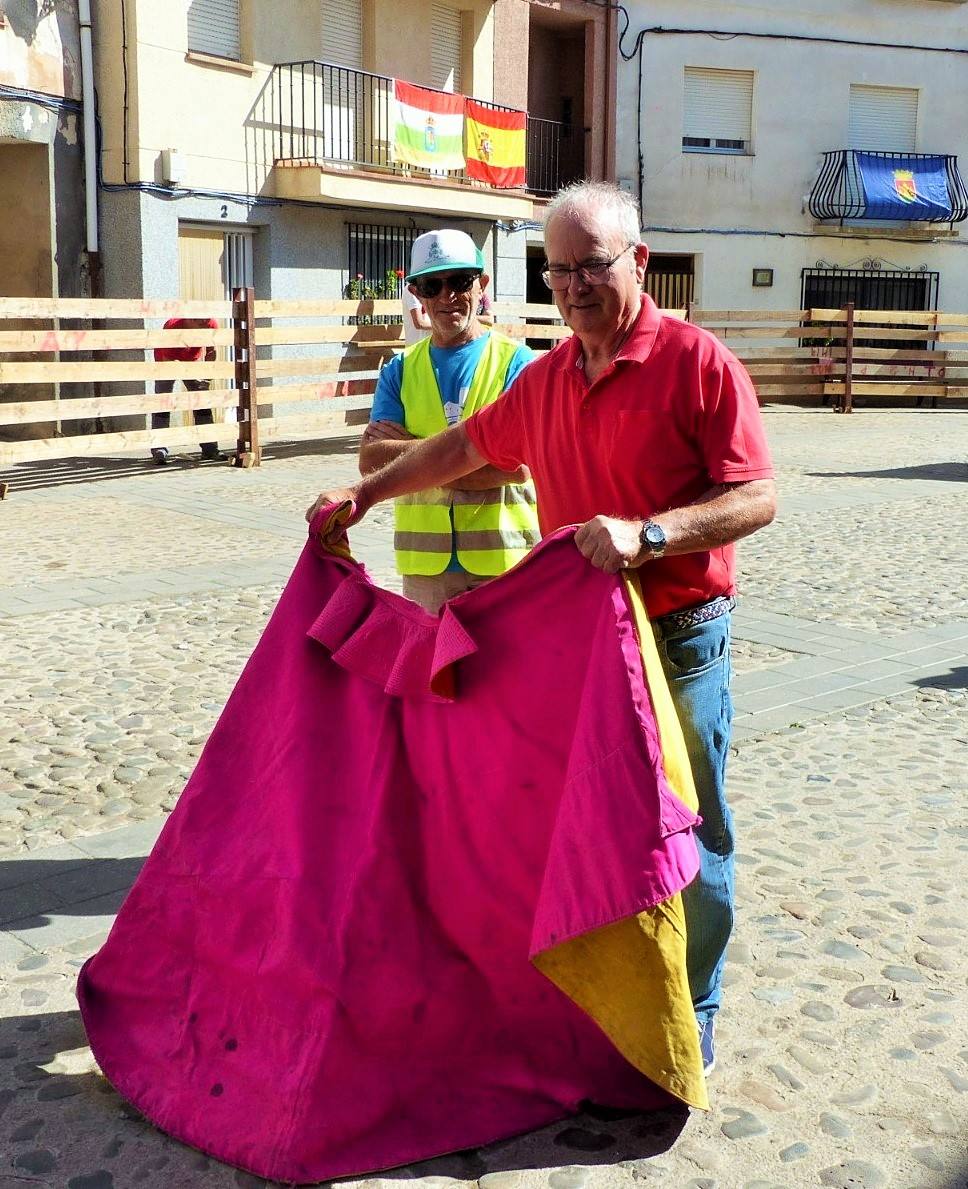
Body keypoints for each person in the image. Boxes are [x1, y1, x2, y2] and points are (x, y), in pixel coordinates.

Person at [307, 182, 777, 1074]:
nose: (571, 286)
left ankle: (696, 1005)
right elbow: (461, 448)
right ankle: (596, 991)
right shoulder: (549, 378)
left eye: (590, 265)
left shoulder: (699, 362)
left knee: (694, 827)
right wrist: (365, 494)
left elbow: (758, 493)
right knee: (582, 822)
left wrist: (652, 533)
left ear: (638, 261)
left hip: (678, 634)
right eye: (556, 269)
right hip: (577, 646)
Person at [360, 228, 540, 614]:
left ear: (482, 285)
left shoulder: (518, 364)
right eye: (431, 285)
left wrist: (411, 452)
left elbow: (518, 467)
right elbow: (372, 462)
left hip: (506, 564)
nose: (447, 296)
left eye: (459, 281)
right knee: (432, 676)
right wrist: (475, 455)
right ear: (416, 293)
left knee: (503, 677)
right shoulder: (400, 370)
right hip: (427, 572)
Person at [150, 316, 227, 464]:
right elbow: (168, 360)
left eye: (206, 322)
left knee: (201, 401)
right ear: (190, 320)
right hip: (167, 360)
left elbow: (211, 351)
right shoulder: (172, 326)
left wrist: (206, 378)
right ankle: (159, 450)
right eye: (200, 322)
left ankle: (210, 448)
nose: (205, 325)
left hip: (192, 359)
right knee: (163, 401)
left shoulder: (210, 323)